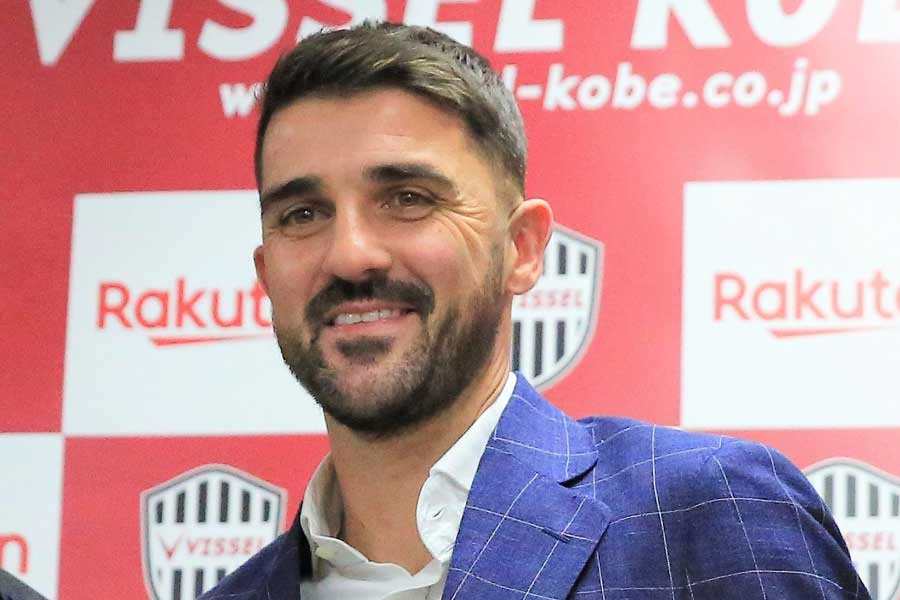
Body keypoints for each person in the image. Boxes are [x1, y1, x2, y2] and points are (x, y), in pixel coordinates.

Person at [202, 21, 869, 600]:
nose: (350, 255)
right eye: (303, 214)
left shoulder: (708, 511)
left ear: (521, 249)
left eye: (407, 199)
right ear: (266, 275)